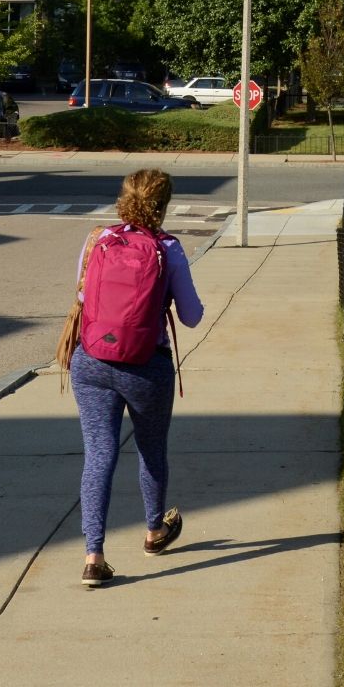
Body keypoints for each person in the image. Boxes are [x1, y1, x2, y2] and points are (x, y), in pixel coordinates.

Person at [60, 169, 204, 587]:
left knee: (99, 455)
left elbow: (84, 297)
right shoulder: (168, 248)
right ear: (163, 205)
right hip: (145, 365)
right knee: (151, 450)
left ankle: (93, 557)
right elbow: (192, 318)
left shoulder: (97, 241)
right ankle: (154, 532)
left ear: (124, 199)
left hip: (91, 362)